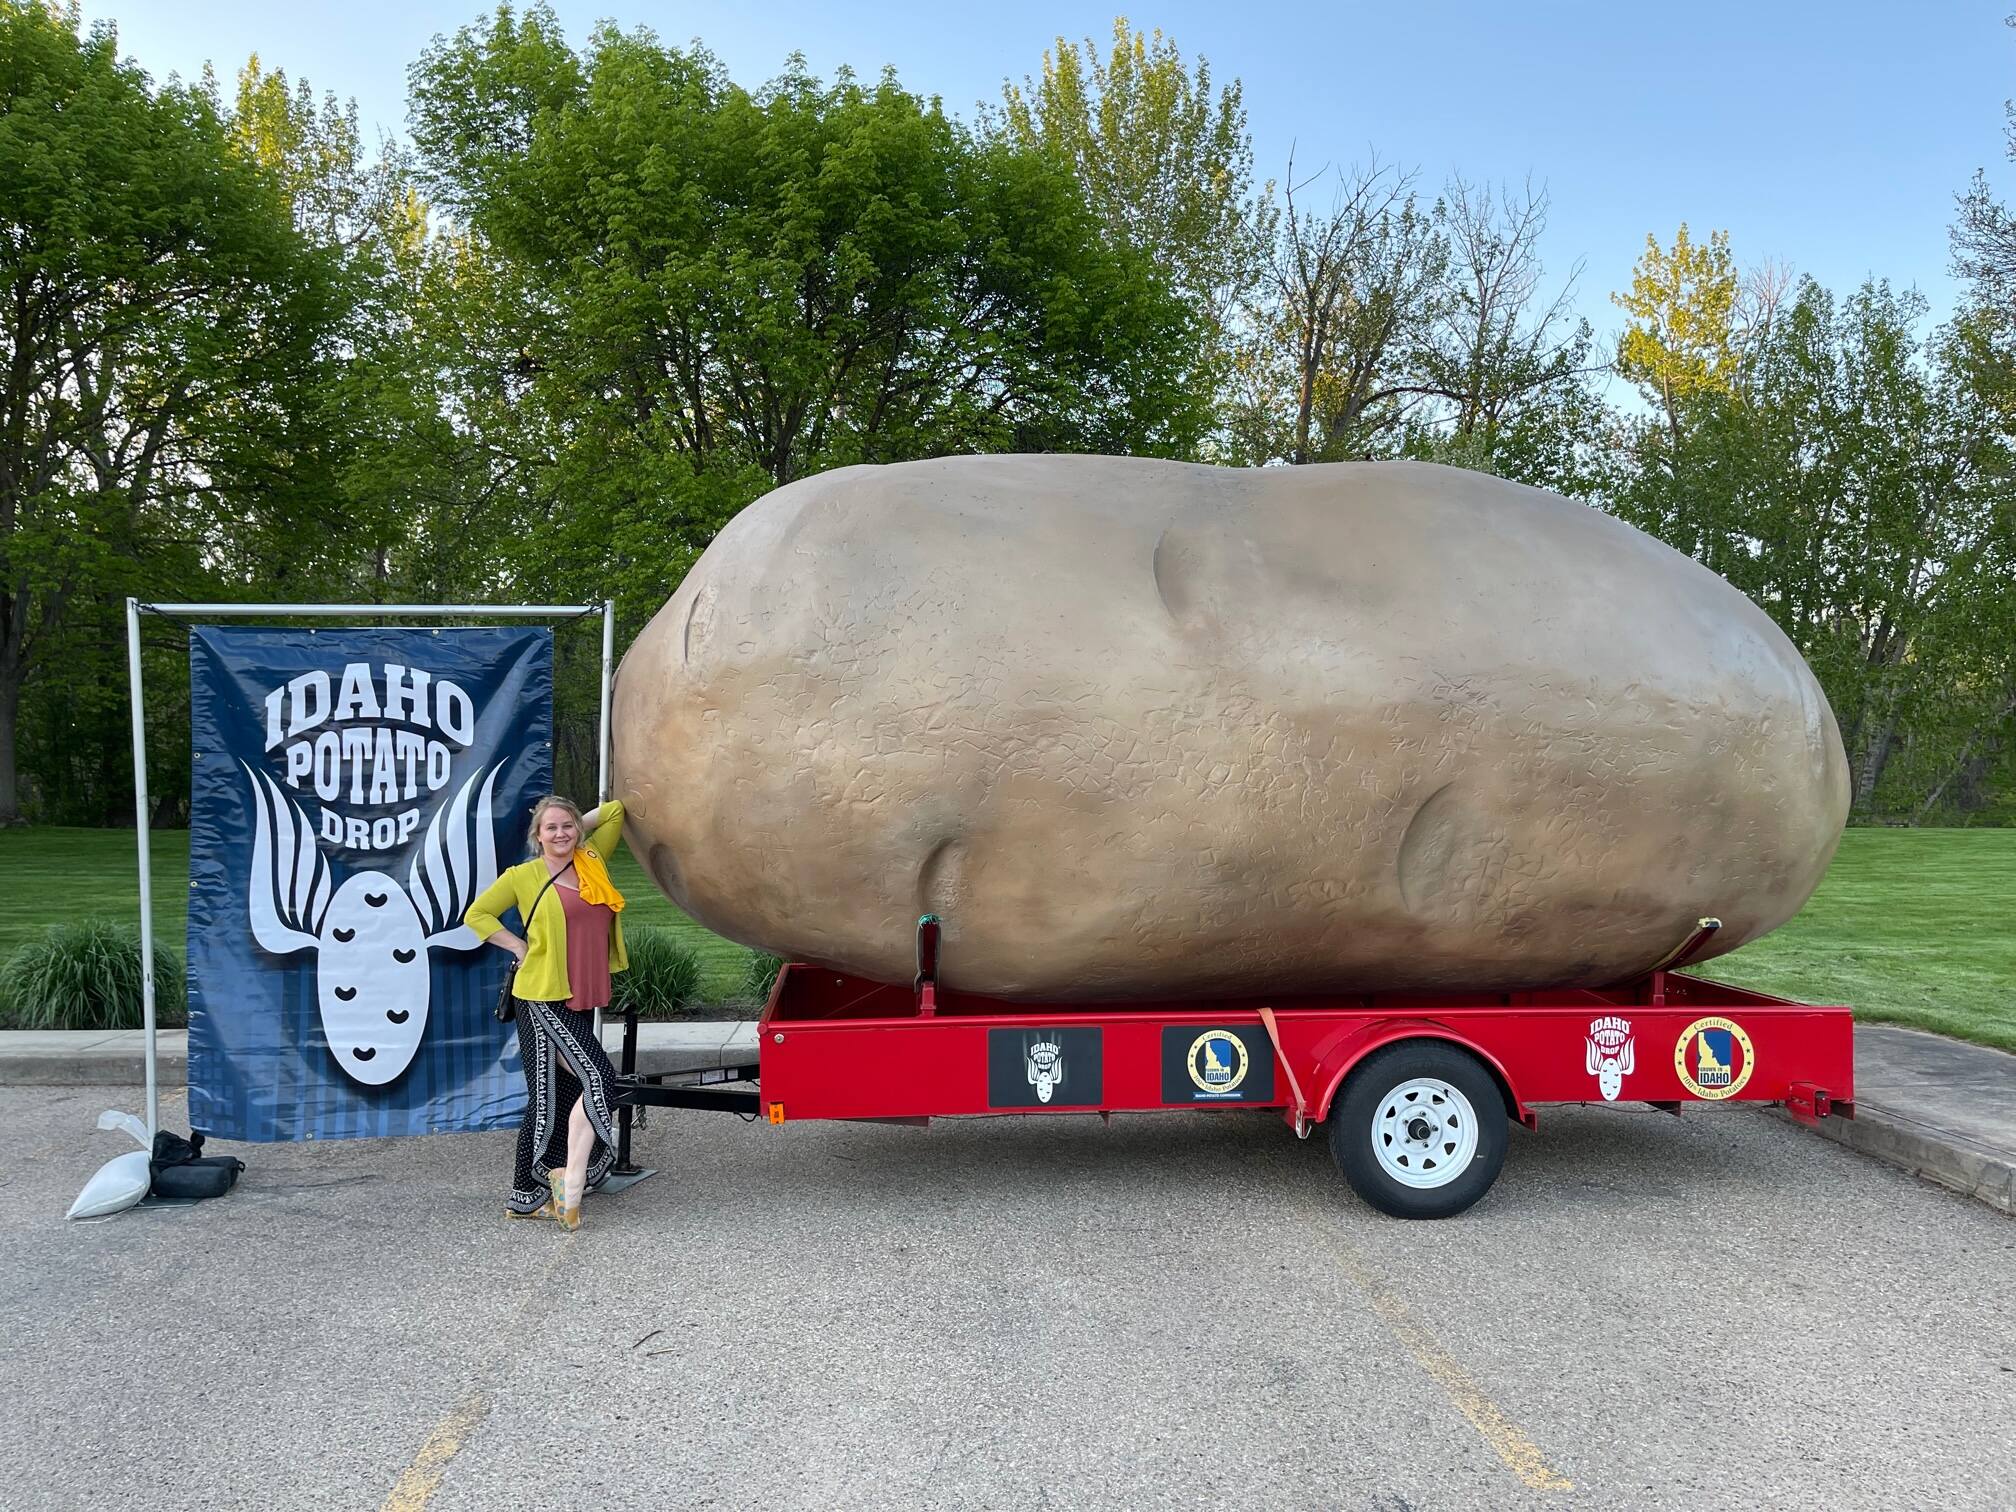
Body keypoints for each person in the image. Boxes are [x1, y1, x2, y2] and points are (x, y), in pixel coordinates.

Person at [465, 795, 629, 1230]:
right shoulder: (523, 876)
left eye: (568, 826)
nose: (561, 834)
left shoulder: (591, 860)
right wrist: (518, 945)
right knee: (597, 1079)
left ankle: (526, 1195)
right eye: (550, 828)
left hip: (576, 994)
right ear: (537, 836)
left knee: (553, 1091)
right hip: (539, 995)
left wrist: (579, 822)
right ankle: (569, 1186)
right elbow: (477, 914)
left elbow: (613, 813)